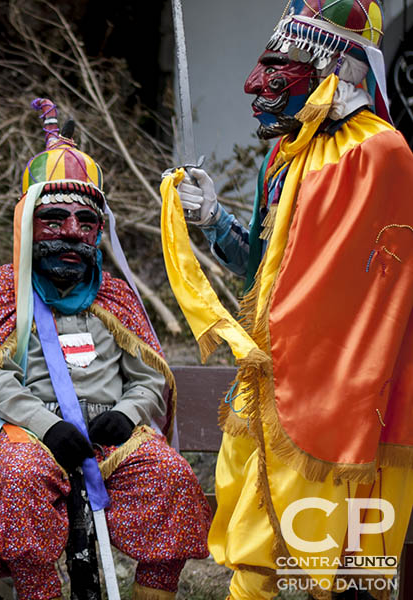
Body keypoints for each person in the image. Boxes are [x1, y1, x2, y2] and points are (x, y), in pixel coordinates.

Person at [161, 1, 413, 597]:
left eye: (280, 65)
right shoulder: (284, 156)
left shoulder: (382, 153)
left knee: (351, 559)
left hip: (352, 393)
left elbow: (380, 295)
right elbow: (263, 268)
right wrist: (214, 220)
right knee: (254, 553)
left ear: (336, 71)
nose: (256, 83)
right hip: (274, 379)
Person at [0, 98, 211, 600]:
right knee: (20, 478)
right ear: (27, 223)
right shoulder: (2, 292)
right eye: (54, 218)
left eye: (85, 222)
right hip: (23, 435)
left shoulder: (115, 295)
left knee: (169, 475)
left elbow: (149, 377)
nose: (70, 233)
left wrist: (127, 416)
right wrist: (47, 425)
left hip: (110, 437)